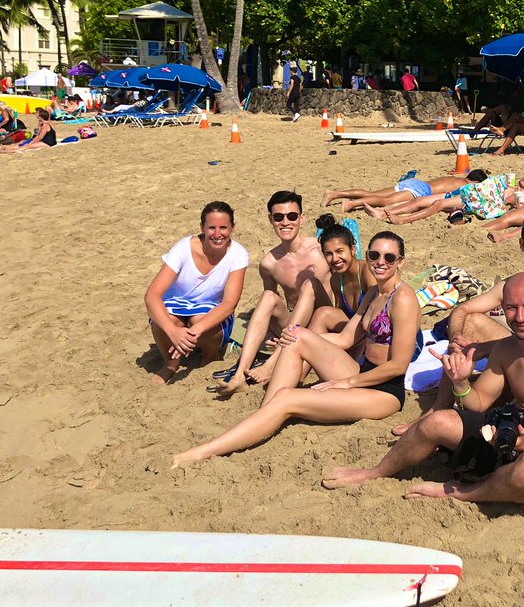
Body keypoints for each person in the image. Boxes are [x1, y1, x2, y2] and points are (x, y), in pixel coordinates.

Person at [322, 273, 524, 503]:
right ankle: (376, 472)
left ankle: (465, 492)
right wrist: (461, 382)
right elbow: (478, 403)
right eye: (511, 308)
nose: (520, 316)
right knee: (438, 421)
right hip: (505, 437)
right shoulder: (507, 349)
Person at [172, 231, 420, 467]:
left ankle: (203, 451)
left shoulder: (404, 299)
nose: (380, 262)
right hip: (361, 371)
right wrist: (295, 339)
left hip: (383, 392)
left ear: (401, 262)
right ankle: (265, 417)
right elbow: (345, 339)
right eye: (374, 255)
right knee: (296, 334)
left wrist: (349, 382)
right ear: (366, 255)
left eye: (389, 257)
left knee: (287, 398)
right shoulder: (375, 293)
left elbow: (398, 365)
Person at [395, 207, 524, 437]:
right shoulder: (521, 284)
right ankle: (437, 408)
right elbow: (463, 309)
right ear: (522, 244)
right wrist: (456, 343)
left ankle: (453, 410)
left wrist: (484, 348)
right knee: (469, 323)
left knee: (485, 397)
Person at [210, 191, 332, 394]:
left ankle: (271, 363)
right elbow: (270, 303)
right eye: (278, 217)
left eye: (292, 216)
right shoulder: (270, 262)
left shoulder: (321, 250)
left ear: (302, 218)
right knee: (267, 296)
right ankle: (240, 373)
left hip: (322, 324)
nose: (286, 222)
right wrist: (267, 332)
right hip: (293, 323)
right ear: (271, 220)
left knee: (310, 284)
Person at [144, 202, 249, 384]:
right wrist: (173, 331)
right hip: (177, 304)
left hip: (209, 309)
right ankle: (170, 363)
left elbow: (229, 303)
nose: (217, 234)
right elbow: (152, 295)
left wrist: (192, 332)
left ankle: (210, 356)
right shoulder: (184, 248)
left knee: (199, 319)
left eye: (223, 227)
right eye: (211, 228)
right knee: (167, 317)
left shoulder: (238, 254)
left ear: (232, 228)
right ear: (202, 228)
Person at [367, 172, 524, 226]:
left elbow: (517, 211)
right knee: (421, 200)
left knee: (438, 204)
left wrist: (518, 202)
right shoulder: (511, 183)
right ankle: (383, 213)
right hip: (467, 191)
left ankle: (404, 220)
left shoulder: (520, 197)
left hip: (473, 201)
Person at [308, 214, 375, 334]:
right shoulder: (336, 280)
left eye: (339, 251)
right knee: (322, 314)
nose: (335, 259)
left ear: (353, 249)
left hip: (374, 331)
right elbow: (340, 314)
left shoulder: (367, 271)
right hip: (356, 332)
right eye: (328, 254)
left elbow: (379, 311)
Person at [322, 169, 489, 213]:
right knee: (385, 202)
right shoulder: (463, 184)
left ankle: (334, 194)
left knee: (372, 193)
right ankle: (352, 204)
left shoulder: (457, 178)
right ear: (475, 182)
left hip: (415, 182)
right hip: (421, 189)